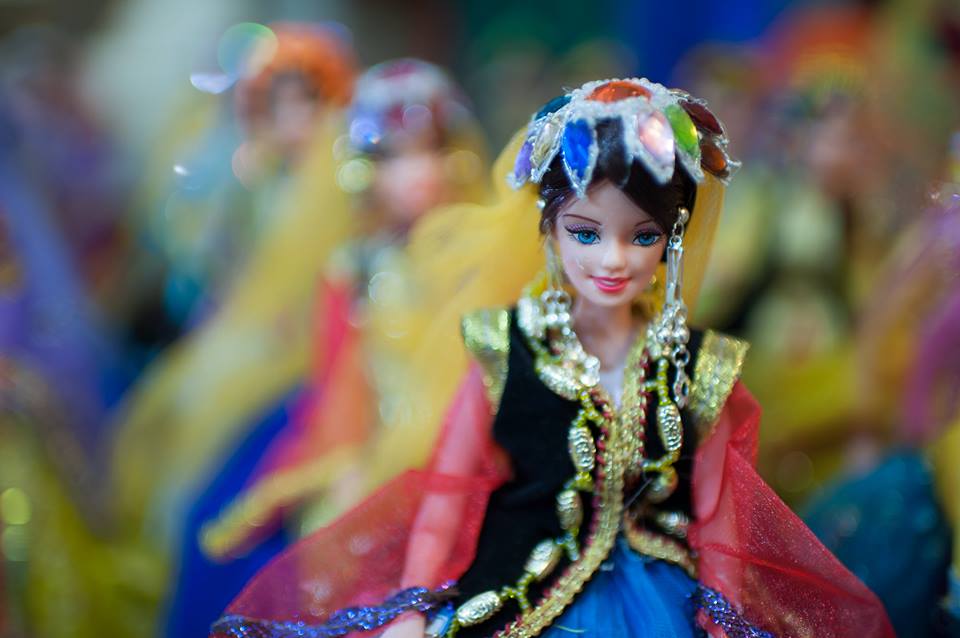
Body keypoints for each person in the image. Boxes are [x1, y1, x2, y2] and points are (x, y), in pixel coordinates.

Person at [211, 78, 893, 638]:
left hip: (665, 602)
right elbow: (450, 492)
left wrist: (723, 615)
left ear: (672, 239)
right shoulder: (506, 348)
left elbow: (718, 514)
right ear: (548, 230)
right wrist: (412, 604)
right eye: (586, 234)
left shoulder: (696, 363)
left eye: (642, 236)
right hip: (520, 591)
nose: (613, 260)